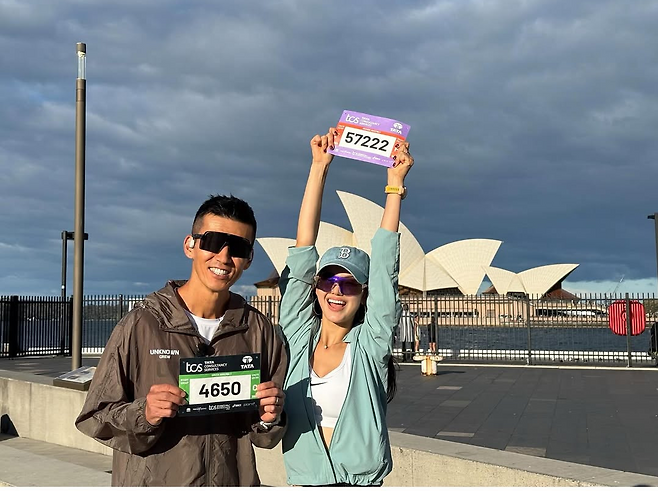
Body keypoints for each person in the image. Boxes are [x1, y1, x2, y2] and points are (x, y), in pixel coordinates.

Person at [75, 195, 288, 487]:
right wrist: (145, 413)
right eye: (213, 242)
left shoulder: (258, 331)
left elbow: (265, 436)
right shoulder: (140, 325)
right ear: (190, 245)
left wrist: (268, 417)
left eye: (238, 248)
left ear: (249, 259)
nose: (224, 257)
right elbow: (95, 417)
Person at [278, 128, 414, 486]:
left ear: (364, 294)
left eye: (350, 283)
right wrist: (319, 167)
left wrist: (394, 185)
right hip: (306, 479)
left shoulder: (370, 344)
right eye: (327, 280)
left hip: (359, 482)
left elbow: (384, 267)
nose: (336, 291)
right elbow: (302, 251)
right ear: (316, 287)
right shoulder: (297, 336)